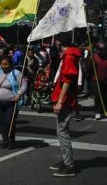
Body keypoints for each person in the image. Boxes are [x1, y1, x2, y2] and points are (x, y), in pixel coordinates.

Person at [49, 35, 81, 177]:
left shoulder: (69, 57)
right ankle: (66, 160)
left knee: (62, 132)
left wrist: (60, 101)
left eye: (55, 40)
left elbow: (67, 81)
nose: (54, 42)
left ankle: (69, 166)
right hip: (66, 99)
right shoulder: (68, 55)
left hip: (66, 101)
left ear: (59, 42)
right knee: (61, 132)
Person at [0, 57, 27, 149]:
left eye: (6, 64)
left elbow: (24, 86)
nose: (4, 66)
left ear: (11, 64)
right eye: (2, 64)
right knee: (2, 123)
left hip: (11, 103)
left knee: (8, 122)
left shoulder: (16, 73)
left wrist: (18, 94)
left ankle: (11, 140)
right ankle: (5, 140)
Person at [88, 43, 107, 120]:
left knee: (105, 95)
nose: (102, 51)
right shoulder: (95, 56)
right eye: (100, 50)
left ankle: (104, 111)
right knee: (98, 95)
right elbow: (89, 68)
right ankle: (97, 112)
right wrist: (90, 60)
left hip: (105, 79)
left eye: (104, 50)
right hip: (95, 79)